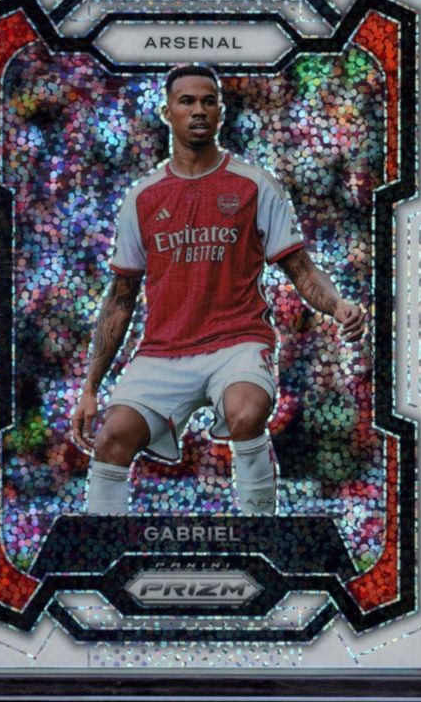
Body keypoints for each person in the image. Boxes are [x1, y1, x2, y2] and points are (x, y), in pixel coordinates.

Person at [71, 64, 365, 516]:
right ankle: (100, 544)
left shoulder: (254, 184)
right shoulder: (142, 197)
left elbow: (302, 269)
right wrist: (91, 386)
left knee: (246, 413)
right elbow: (121, 297)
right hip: (163, 351)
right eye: (187, 101)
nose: (199, 110)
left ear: (220, 113)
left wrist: (337, 304)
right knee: (111, 437)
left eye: (208, 101)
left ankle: (260, 532)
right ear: (167, 112)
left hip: (237, 342)